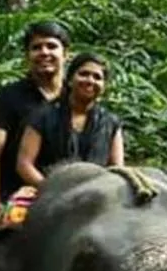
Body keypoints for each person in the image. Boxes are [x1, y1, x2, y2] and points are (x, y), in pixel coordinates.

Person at [0, 21, 67, 234]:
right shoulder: (9, 97)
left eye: (51, 46)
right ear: (27, 56)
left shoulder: (75, 98)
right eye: (36, 47)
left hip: (65, 199)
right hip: (14, 199)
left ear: (66, 54)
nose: (44, 52)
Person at [15, 52, 126, 189]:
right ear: (69, 79)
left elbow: (117, 168)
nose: (90, 80)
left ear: (103, 86)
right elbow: (24, 164)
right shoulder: (41, 116)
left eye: (97, 77)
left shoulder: (111, 123)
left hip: (96, 195)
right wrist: (50, 189)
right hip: (47, 192)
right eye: (84, 74)